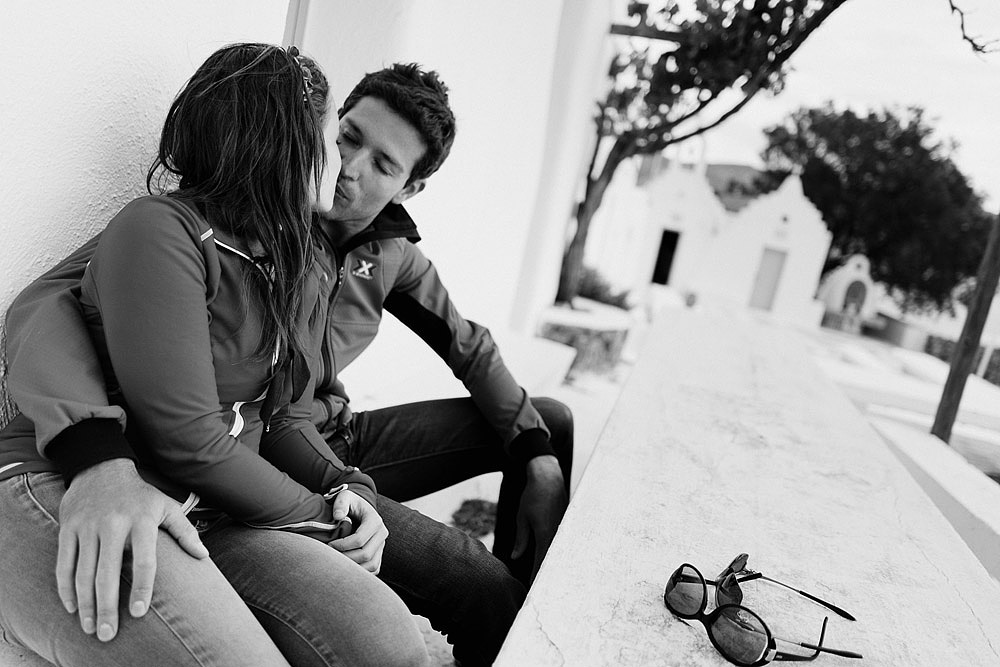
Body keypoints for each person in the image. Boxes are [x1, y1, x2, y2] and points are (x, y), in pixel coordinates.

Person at [5, 60, 572, 666]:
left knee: (543, 439)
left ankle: (541, 596)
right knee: (462, 577)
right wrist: (95, 454)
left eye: (383, 165)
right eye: (345, 137)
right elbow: (45, 302)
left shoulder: (375, 256)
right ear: (292, 140)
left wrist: (531, 450)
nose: (350, 168)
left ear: (409, 189)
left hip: (306, 442)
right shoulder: (181, 228)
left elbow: (464, 346)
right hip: (223, 462)